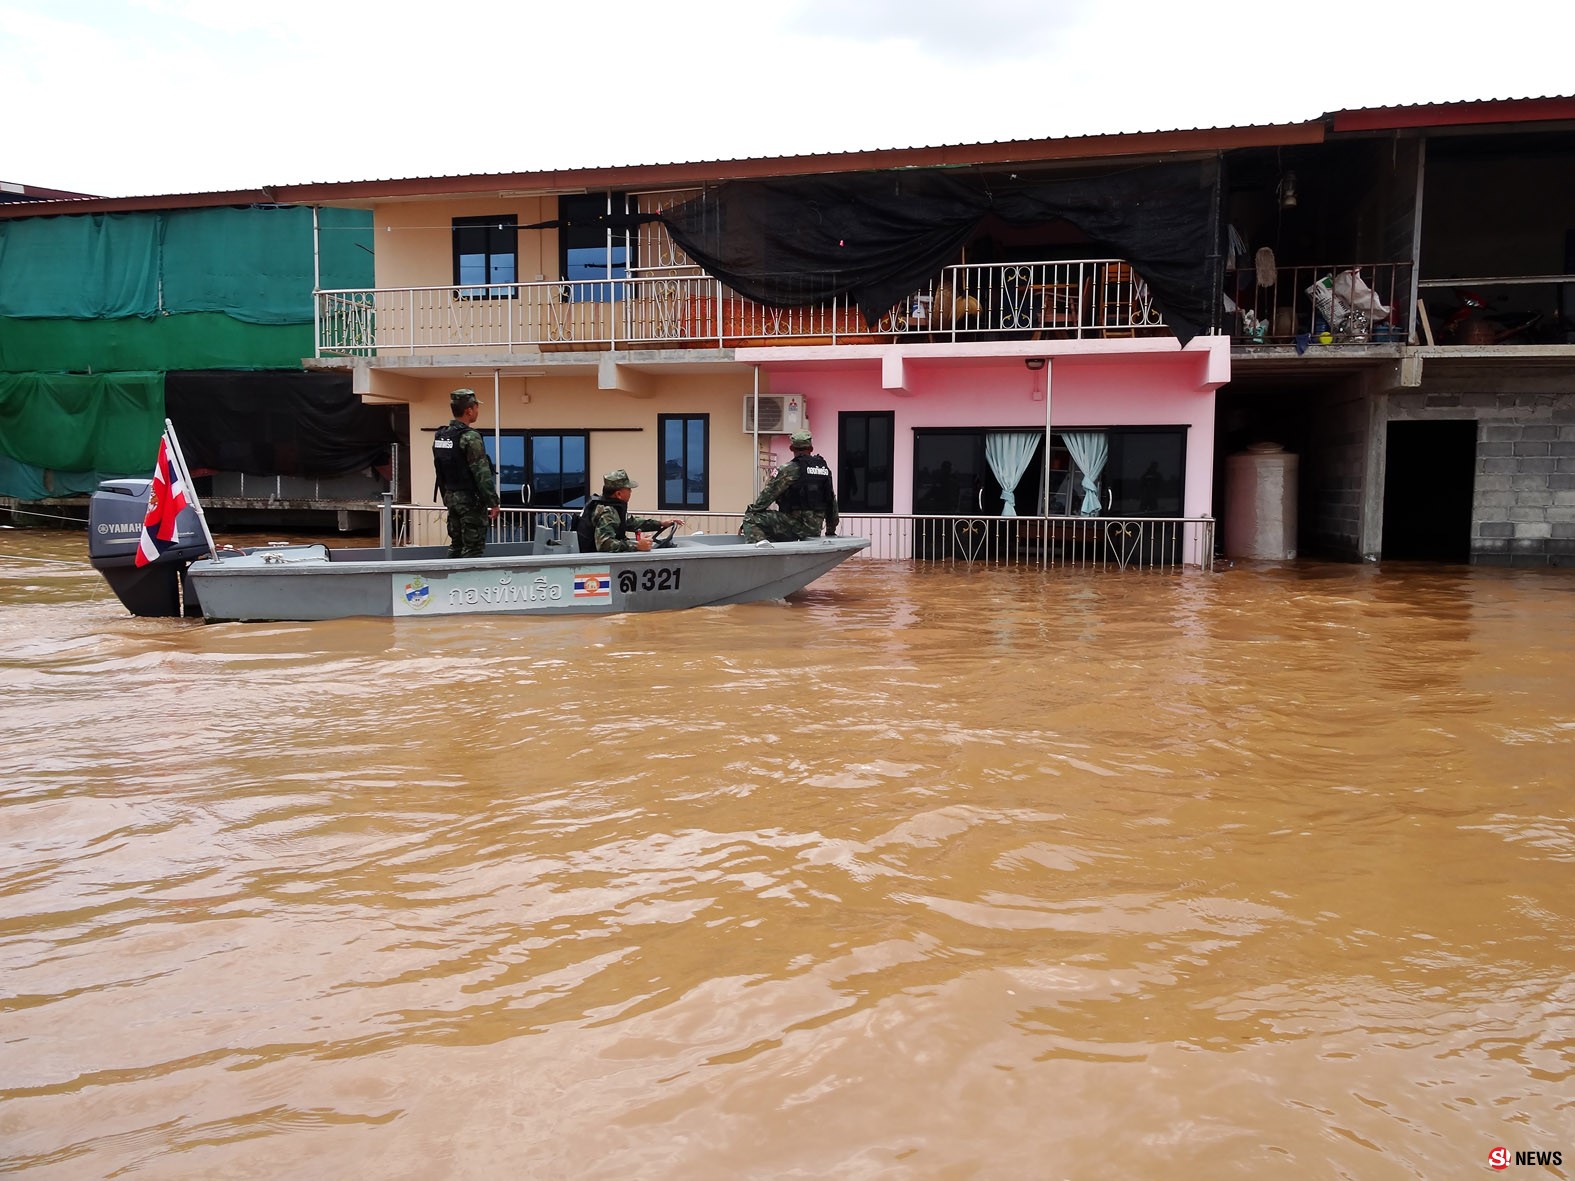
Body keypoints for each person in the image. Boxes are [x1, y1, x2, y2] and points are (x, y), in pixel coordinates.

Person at [432, 388, 499, 558]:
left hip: (451, 498)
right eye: (476, 407)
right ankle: (467, 576)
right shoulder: (470, 437)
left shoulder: (442, 435)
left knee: (456, 545)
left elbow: (440, 469)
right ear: (469, 410)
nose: (477, 411)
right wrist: (493, 502)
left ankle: (451, 574)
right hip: (470, 501)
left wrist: (447, 496)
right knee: (473, 548)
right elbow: (481, 472)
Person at [741, 430, 839, 542]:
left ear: (791, 448)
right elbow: (831, 501)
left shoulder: (789, 469)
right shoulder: (823, 469)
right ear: (811, 449)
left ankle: (761, 552)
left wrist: (752, 511)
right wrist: (830, 531)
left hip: (794, 527)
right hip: (814, 530)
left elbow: (767, 496)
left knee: (751, 519)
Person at [576, 469, 683, 553]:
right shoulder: (608, 512)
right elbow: (604, 544)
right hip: (598, 563)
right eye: (628, 489)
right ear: (618, 494)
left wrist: (660, 523)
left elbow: (631, 522)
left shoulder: (613, 507)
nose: (631, 492)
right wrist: (637, 546)